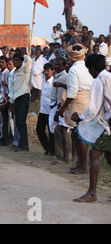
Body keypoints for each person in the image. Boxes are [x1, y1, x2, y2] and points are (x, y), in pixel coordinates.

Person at [72, 54, 111, 203]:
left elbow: (93, 108)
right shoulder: (109, 76)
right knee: (108, 154)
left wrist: (80, 118)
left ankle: (92, 193)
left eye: (89, 70)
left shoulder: (99, 81)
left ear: (93, 69)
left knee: (94, 154)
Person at [59, 44, 94, 174]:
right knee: (80, 133)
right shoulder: (86, 67)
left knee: (79, 134)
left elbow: (72, 92)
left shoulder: (73, 70)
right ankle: (80, 163)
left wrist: (63, 108)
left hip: (78, 100)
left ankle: (83, 165)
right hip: (87, 99)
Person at [10, 53, 33, 151]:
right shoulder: (13, 72)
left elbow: (29, 61)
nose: (16, 62)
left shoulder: (25, 70)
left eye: (18, 60)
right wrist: (12, 102)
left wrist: (24, 55)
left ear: (21, 61)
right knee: (18, 123)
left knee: (21, 122)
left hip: (24, 97)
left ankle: (24, 146)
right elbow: (12, 89)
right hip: (16, 99)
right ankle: (22, 144)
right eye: (14, 60)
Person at [36, 62, 55, 155]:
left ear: (52, 71)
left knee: (51, 132)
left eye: (48, 71)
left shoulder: (54, 83)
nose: (46, 72)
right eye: (45, 70)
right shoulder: (43, 81)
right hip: (43, 110)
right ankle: (48, 148)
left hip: (51, 110)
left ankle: (53, 151)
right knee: (39, 130)